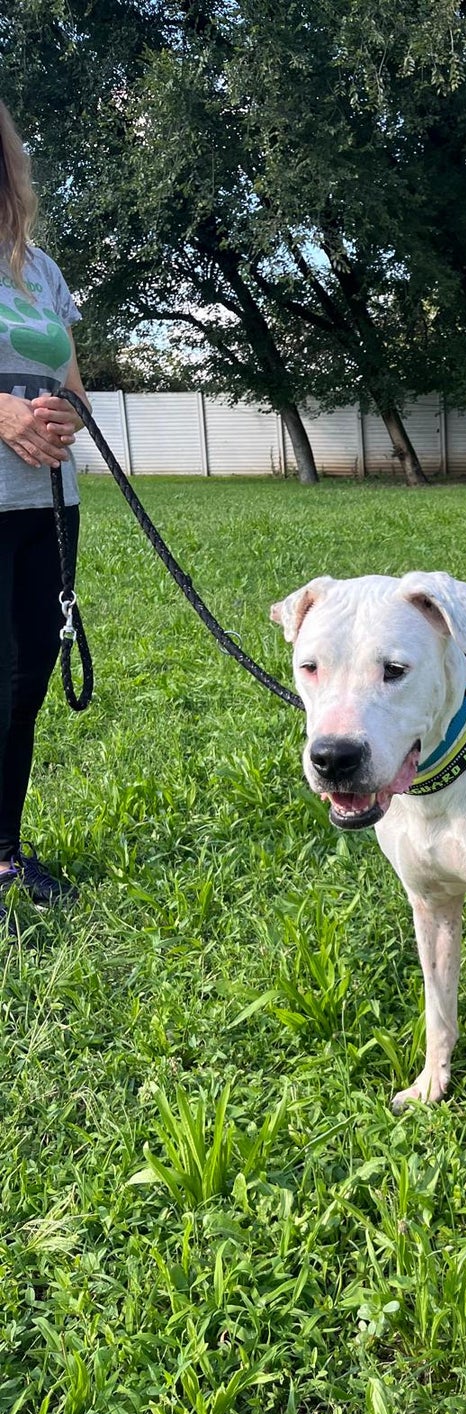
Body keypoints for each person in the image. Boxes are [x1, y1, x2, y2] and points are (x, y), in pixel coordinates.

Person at [0, 98, 90, 932]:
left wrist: (67, 411)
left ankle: (4, 851)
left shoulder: (38, 268)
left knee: (25, 684)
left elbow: (74, 380)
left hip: (48, 504)